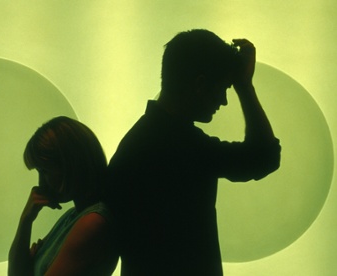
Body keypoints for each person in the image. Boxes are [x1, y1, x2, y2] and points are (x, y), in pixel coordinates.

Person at [105, 29, 281, 275]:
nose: (223, 101)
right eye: (223, 88)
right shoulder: (183, 147)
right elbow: (263, 157)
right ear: (200, 84)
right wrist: (244, 85)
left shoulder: (141, 140)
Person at [8, 116, 119, 276]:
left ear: (70, 164)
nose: (40, 183)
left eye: (45, 171)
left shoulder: (92, 222)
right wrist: (26, 220)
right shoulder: (72, 217)